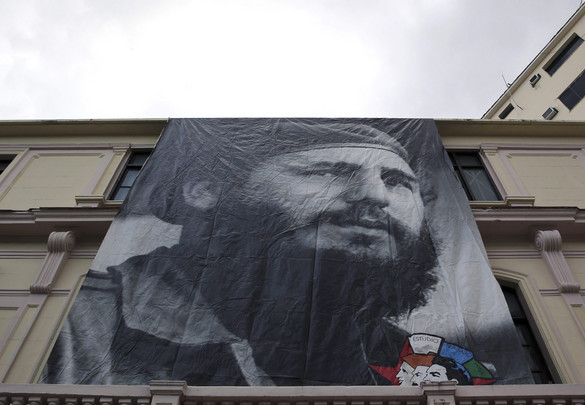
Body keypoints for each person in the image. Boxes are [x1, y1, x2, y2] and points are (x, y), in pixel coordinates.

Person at [44, 119, 533, 386]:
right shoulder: (91, 319)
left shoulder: (416, 358)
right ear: (204, 191)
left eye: (398, 181)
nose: (378, 198)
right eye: (326, 174)